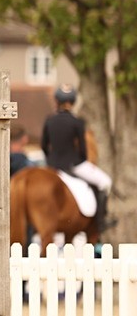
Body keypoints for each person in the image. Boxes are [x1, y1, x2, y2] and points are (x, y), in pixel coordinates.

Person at [41, 83, 113, 229]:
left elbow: (43, 145)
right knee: (105, 182)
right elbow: (82, 149)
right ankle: (100, 222)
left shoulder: (49, 120)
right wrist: (84, 160)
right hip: (74, 165)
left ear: (57, 101)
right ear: (73, 102)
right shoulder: (77, 122)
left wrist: (50, 160)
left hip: (53, 165)